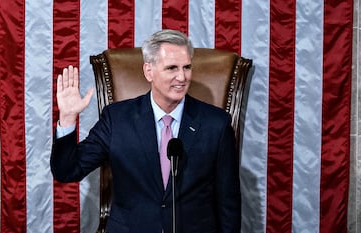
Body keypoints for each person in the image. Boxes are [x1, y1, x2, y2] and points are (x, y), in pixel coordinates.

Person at [51, 29, 240, 233]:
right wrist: (68, 119)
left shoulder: (216, 124)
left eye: (187, 67)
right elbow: (67, 171)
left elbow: (228, 201)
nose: (182, 77)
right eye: (171, 68)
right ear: (148, 71)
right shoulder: (117, 119)